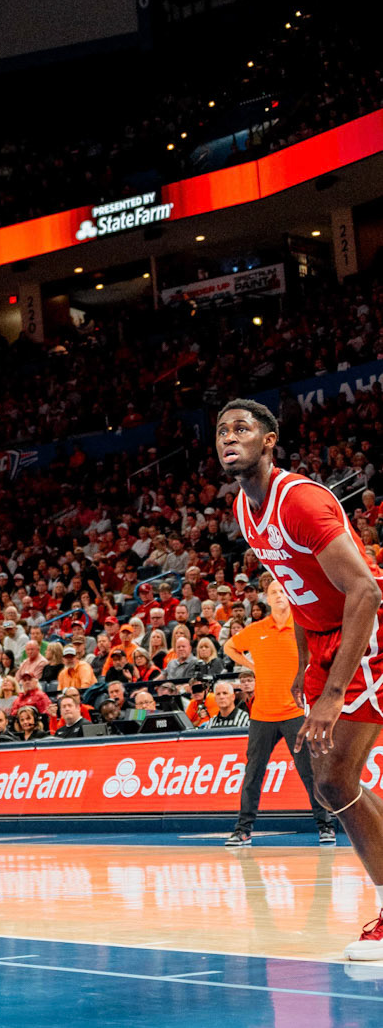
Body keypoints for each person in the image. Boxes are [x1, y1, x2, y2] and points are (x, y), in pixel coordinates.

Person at [218, 398, 383, 957]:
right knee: (332, 780)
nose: (227, 437)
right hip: (322, 642)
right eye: (220, 431)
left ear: (269, 440)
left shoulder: (302, 502)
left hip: (364, 630)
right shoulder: (244, 509)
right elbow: (295, 589)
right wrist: (304, 663)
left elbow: (365, 591)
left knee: (336, 777)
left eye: (241, 428)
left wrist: (333, 692)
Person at [225, 573, 337, 845]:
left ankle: (325, 826)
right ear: (266, 598)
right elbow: (229, 646)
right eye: (272, 591)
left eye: (281, 590)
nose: (277, 594)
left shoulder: (303, 627)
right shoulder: (255, 630)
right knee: (253, 773)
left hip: (295, 713)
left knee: (309, 771)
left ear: (289, 595)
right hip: (262, 715)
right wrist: (253, 667)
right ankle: (243, 829)